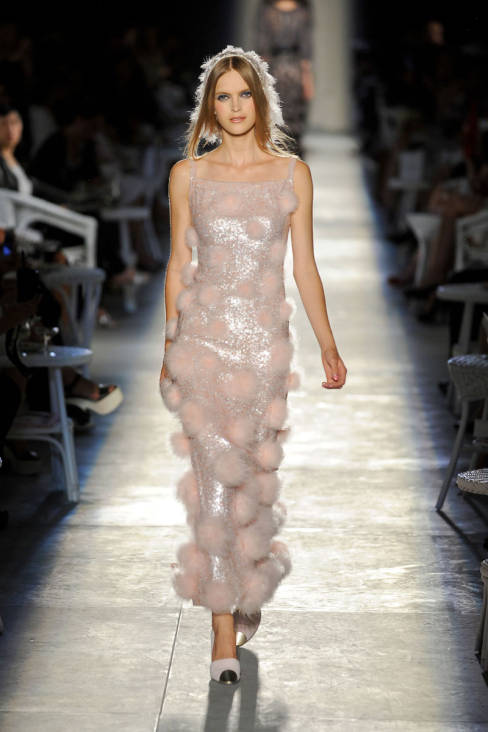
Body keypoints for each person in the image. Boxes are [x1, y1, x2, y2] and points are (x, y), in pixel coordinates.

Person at [159, 45, 346, 685]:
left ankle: (243, 589)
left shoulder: (292, 174)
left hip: (265, 350)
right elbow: (179, 265)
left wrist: (327, 344)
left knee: (250, 482)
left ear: (261, 101)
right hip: (203, 348)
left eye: (244, 94)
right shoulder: (188, 175)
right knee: (213, 483)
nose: (235, 106)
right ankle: (221, 633)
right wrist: (168, 347)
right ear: (210, 108)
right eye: (223, 96)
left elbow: (304, 268)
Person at [254, 0, 314, 158]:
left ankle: (279, 155)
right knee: (293, 116)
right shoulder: (302, 12)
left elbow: (262, 48)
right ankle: (293, 157)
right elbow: (306, 50)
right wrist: (307, 79)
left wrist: (261, 78)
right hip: (294, 71)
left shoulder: (267, 11)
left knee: (276, 113)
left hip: (275, 70)